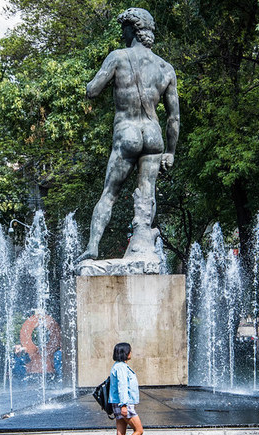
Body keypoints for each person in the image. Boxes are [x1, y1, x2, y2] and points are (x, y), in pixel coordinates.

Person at [78, 7, 180, 263]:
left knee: (109, 194)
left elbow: (92, 90)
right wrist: (171, 152)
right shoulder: (165, 68)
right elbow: (174, 117)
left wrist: (91, 85)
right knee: (147, 193)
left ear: (132, 29)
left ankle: (92, 247)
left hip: (128, 132)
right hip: (154, 136)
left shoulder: (118, 57)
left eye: (123, 27)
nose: (121, 33)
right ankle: (142, 247)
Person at [109, 342, 143, 435]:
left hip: (116, 403)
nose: (131, 353)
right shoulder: (122, 367)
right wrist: (124, 405)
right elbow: (122, 386)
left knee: (120, 434)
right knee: (139, 430)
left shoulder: (117, 366)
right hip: (123, 403)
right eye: (130, 351)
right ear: (125, 353)